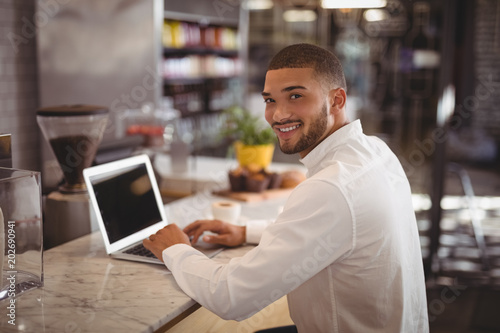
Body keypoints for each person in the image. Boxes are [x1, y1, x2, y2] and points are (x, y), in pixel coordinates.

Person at [144, 43, 429, 332]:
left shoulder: (331, 188)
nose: (278, 115)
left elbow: (230, 296)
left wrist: (176, 249)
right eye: (270, 100)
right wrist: (245, 232)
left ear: (337, 100)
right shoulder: (377, 151)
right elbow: (332, 229)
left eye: (295, 96)